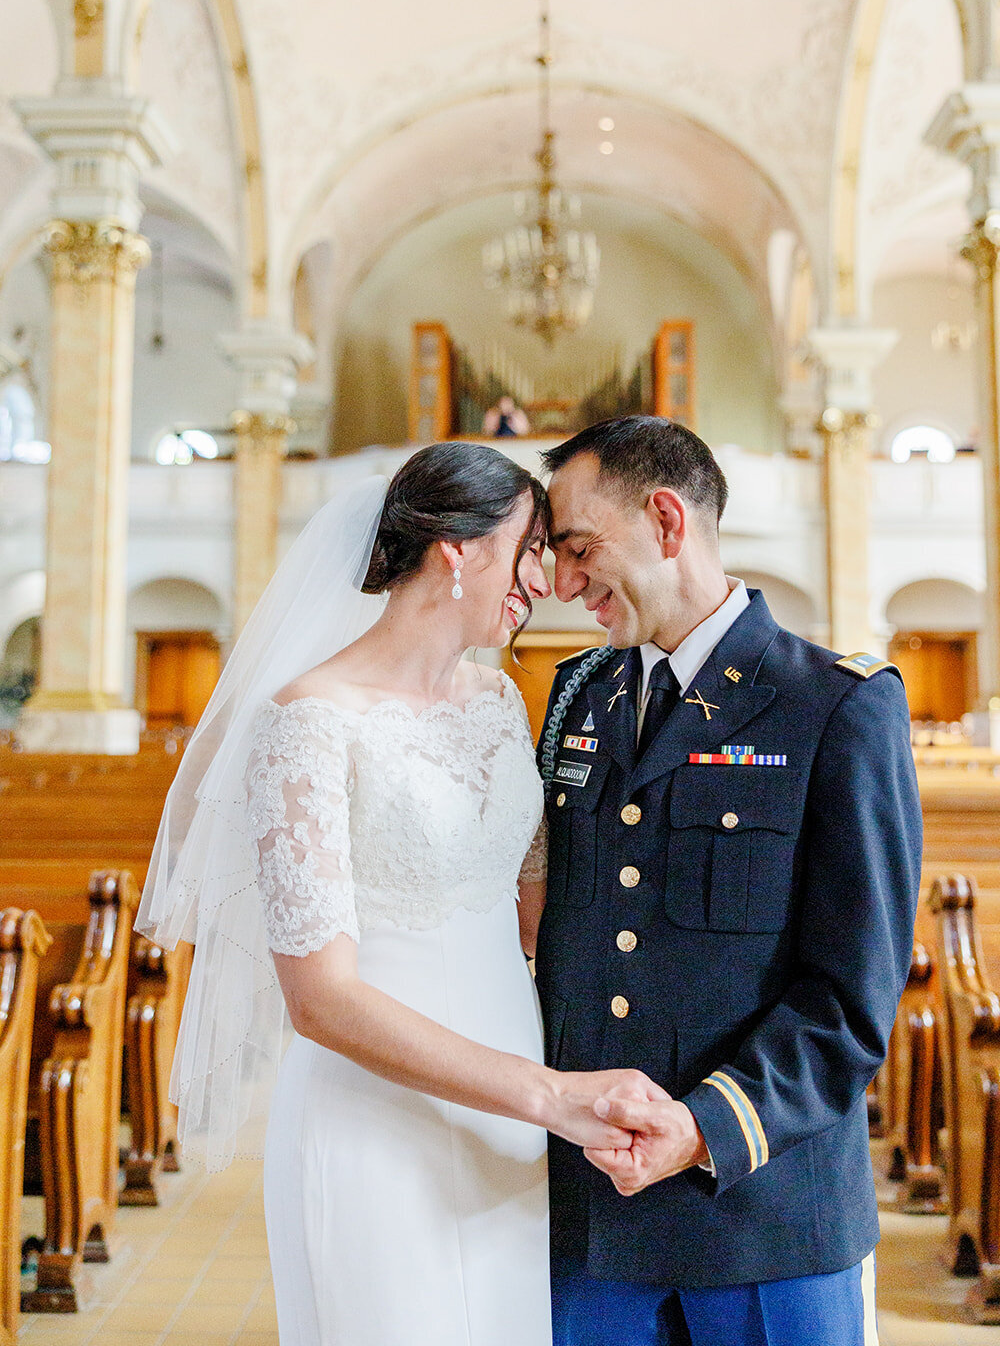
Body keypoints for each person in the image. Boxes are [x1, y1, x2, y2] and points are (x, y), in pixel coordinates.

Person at [137, 442, 659, 1346]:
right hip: (377, 1109)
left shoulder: (498, 705)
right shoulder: (308, 722)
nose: (544, 579)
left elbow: (538, 914)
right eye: (530, 546)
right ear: (457, 550)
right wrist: (544, 1095)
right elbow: (321, 1000)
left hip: (512, 1111)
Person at [533, 415, 923, 1346]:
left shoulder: (835, 702)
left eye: (580, 548)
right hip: (595, 1218)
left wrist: (704, 1127)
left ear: (666, 521)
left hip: (762, 1213)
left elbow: (852, 995)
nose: (562, 582)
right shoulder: (577, 695)